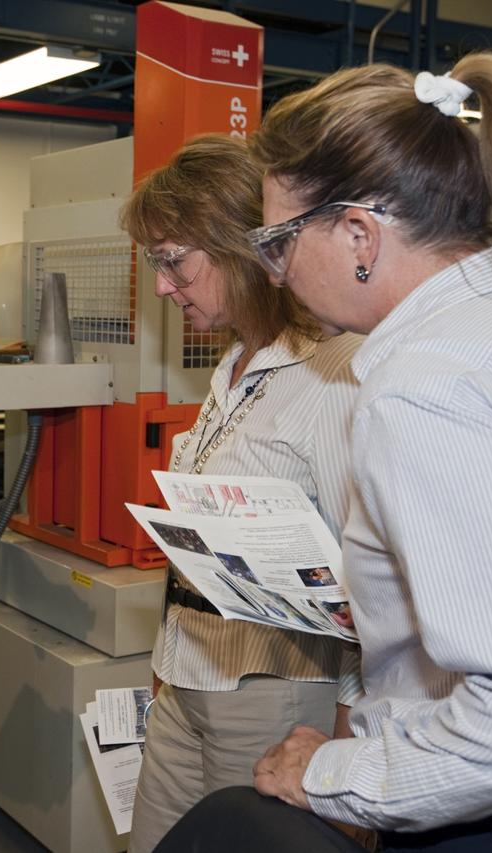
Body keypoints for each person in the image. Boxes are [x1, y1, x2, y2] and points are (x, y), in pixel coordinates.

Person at [157, 53, 492, 852]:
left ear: (359, 233)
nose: (276, 271)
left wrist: (338, 771)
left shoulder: (427, 389)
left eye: (279, 242)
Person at [119, 134, 364, 853]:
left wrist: (351, 732)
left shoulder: (333, 375)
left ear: (235, 247)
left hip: (272, 695)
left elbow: (367, 575)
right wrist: (166, 664)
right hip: (186, 676)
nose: (164, 285)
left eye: (174, 261)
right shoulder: (232, 367)